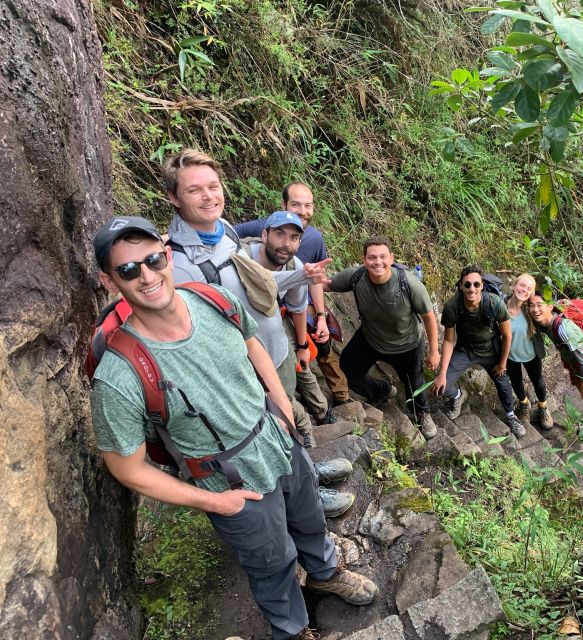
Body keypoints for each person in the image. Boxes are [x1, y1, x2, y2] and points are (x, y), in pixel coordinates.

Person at [89, 217, 377, 640]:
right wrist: (213, 503)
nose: (147, 275)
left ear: (167, 255)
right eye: (129, 269)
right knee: (271, 562)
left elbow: (250, 340)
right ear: (110, 280)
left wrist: (281, 405)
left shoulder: (211, 298)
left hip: (277, 439)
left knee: (310, 518)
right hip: (227, 481)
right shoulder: (120, 372)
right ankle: (292, 630)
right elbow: (127, 468)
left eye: (152, 260)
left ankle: (325, 572)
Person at [161, 148, 353, 516]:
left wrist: (302, 277)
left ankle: (308, 473)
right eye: (194, 190)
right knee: (272, 430)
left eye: (213, 186)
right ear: (173, 198)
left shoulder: (226, 232)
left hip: (272, 351)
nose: (208, 196)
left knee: (289, 421)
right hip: (242, 370)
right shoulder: (179, 264)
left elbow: (259, 282)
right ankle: (309, 498)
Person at [237, 182, 352, 406]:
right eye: (296, 204)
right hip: (264, 305)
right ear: (284, 205)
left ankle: (340, 398)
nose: (302, 211)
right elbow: (222, 234)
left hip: (298, 299)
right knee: (287, 351)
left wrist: (321, 316)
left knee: (320, 342)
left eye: (308, 205)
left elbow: (316, 278)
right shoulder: (264, 228)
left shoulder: (314, 238)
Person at [325, 236, 440, 439]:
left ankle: (423, 414)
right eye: (372, 257)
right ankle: (382, 390)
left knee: (413, 382)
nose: (377, 262)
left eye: (382, 257)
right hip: (370, 339)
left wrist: (434, 351)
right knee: (347, 371)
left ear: (391, 258)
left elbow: (429, 317)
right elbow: (323, 284)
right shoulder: (356, 277)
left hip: (407, 344)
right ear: (364, 259)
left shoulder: (409, 284)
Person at [246, 210, 335, 426]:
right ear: (265, 235)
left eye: (294, 238)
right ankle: (294, 419)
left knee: (299, 362)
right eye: (280, 234)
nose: (286, 243)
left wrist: (303, 345)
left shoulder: (295, 266)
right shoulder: (243, 256)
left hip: (274, 318)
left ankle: (321, 412)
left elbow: (298, 308)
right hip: (242, 325)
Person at [433, 265, 526, 438]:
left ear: (482, 285)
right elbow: (448, 339)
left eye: (476, 284)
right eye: (467, 285)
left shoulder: (494, 303)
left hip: (491, 349)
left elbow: (506, 336)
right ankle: (459, 395)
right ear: (461, 286)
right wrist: (442, 373)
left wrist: (502, 364)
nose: (472, 289)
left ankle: (510, 415)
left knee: (504, 384)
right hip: (465, 349)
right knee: (442, 387)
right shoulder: (453, 307)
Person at [528, 291, 583, 448]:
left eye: (539, 305)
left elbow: (582, 357)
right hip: (578, 368)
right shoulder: (546, 323)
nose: (535, 309)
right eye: (531, 305)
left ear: (550, 306)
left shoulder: (563, 328)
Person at [505, 274, 553, 429]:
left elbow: (548, 317)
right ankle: (524, 403)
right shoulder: (500, 306)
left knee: (538, 381)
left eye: (528, 288)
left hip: (531, 354)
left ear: (531, 294)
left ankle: (543, 407)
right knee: (516, 380)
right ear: (514, 284)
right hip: (510, 356)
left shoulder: (531, 310)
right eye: (522, 285)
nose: (524, 290)